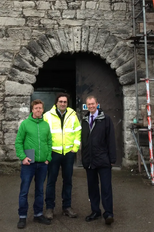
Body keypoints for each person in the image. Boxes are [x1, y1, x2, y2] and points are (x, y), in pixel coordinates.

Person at [15, 99, 52, 229]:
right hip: (28, 163)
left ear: (43, 110)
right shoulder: (25, 124)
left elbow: (49, 142)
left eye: (40, 108)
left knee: (40, 191)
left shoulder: (46, 125)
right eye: (36, 108)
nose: (38, 110)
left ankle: (38, 214)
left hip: (42, 164)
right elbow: (18, 142)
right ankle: (22, 217)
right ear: (32, 109)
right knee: (24, 190)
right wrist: (23, 157)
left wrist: (48, 158)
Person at [43, 93, 81, 219]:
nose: (63, 103)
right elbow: (43, 134)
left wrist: (75, 148)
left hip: (68, 154)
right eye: (61, 101)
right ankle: (49, 208)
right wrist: (46, 152)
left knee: (68, 181)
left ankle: (67, 207)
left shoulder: (73, 115)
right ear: (56, 102)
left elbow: (77, 131)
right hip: (54, 153)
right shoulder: (47, 116)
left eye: (65, 102)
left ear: (67, 103)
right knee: (51, 181)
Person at [81, 95, 116, 225]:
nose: (91, 106)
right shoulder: (84, 120)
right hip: (89, 160)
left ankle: (108, 214)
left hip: (103, 160)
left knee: (106, 188)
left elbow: (111, 140)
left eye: (93, 104)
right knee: (92, 188)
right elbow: (84, 141)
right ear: (86, 105)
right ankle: (95, 211)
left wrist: (112, 159)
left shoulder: (106, 119)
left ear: (97, 104)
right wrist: (84, 159)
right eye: (88, 104)